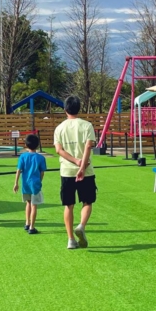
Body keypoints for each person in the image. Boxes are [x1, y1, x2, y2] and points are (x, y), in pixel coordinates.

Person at [53, 95, 96, 250]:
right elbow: (88, 147)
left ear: (65, 109)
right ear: (79, 108)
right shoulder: (87, 125)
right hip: (87, 172)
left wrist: (76, 162)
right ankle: (82, 225)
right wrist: (82, 166)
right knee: (87, 202)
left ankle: (70, 239)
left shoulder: (59, 128)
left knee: (68, 205)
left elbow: (59, 150)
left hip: (66, 172)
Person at [13, 133, 47, 235]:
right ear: (37, 145)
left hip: (25, 184)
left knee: (28, 203)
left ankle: (27, 222)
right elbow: (42, 172)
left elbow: (19, 170)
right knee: (34, 205)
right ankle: (32, 227)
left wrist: (16, 183)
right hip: (35, 184)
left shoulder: (23, 156)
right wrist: (39, 182)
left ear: (26, 145)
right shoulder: (41, 158)